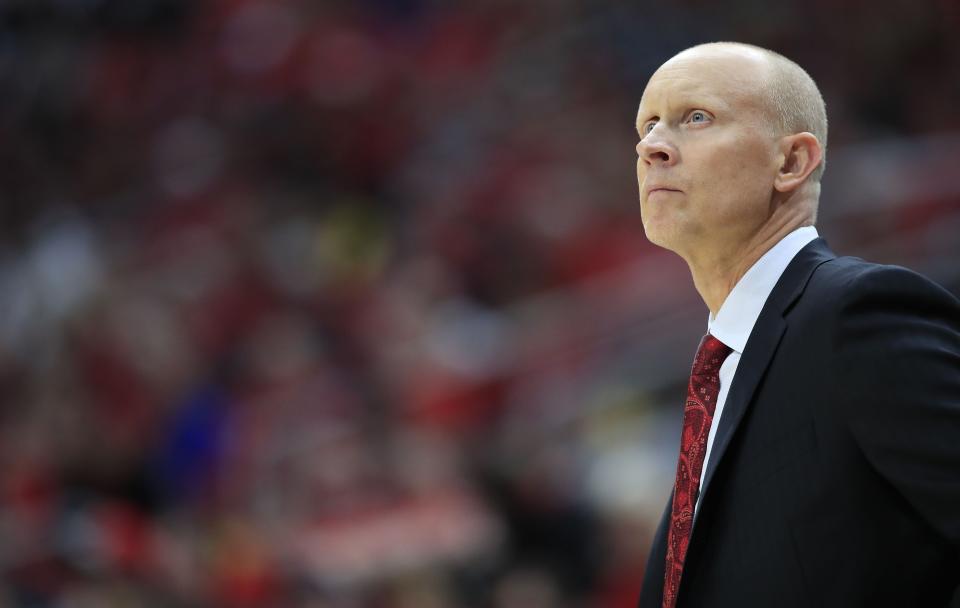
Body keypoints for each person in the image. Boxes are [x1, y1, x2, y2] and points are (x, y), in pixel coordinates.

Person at [633, 42, 960, 608]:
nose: (652, 146)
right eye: (648, 125)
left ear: (790, 162)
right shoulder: (726, 363)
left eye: (696, 117)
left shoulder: (857, 315)